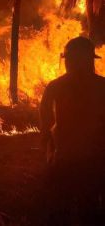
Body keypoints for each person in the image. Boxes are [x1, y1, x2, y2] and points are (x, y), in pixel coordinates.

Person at [40, 36, 105, 225]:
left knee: (62, 211)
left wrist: (49, 153)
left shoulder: (55, 86)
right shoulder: (102, 86)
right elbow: (46, 125)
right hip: (89, 160)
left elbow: (45, 126)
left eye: (70, 59)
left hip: (71, 159)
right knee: (89, 210)